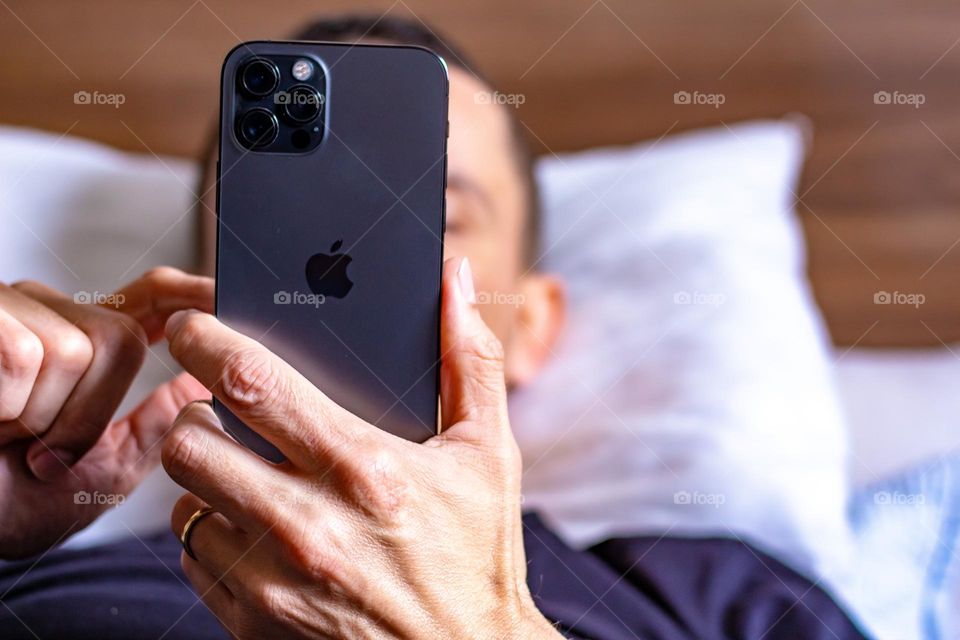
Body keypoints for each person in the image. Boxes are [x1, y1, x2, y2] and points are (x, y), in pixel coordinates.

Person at [0, 15, 869, 640]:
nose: (357, 257)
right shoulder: (43, 575)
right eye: (282, 230)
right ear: (203, 305)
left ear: (529, 326)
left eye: (431, 220)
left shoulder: (726, 599)